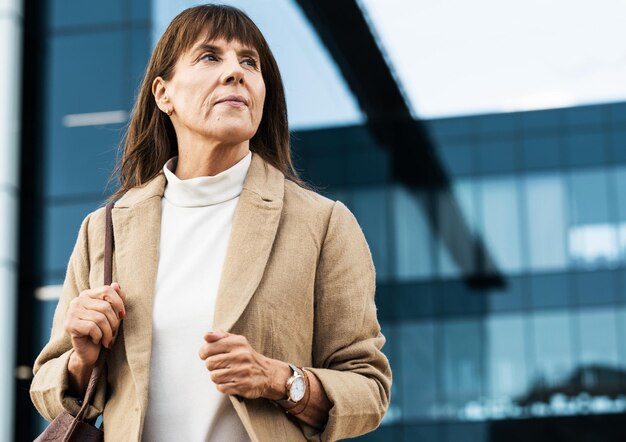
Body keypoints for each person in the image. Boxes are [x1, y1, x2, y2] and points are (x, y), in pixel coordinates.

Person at [30, 4, 391, 441]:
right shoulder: (105, 227)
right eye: (209, 57)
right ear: (164, 94)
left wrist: (279, 380)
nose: (235, 72)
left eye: (249, 62)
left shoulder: (322, 224)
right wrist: (82, 359)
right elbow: (48, 388)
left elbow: (368, 389)